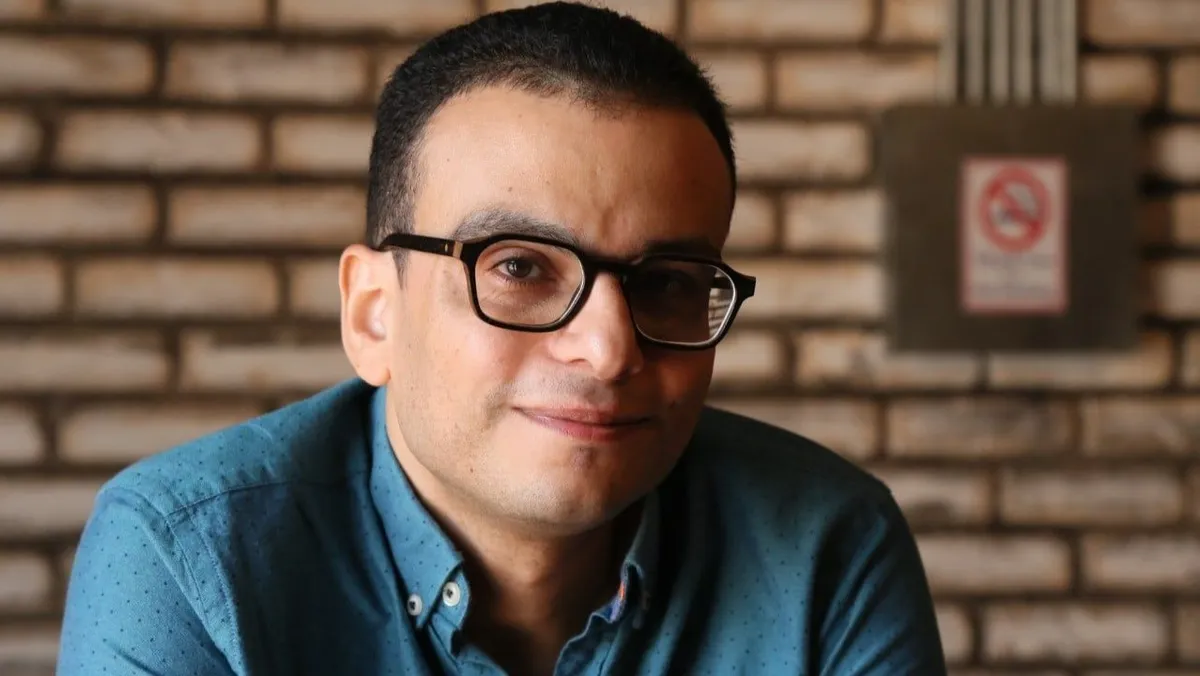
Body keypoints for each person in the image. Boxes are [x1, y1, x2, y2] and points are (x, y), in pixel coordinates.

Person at [57, 3, 946, 674]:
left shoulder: (826, 546)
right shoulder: (188, 557)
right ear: (373, 314)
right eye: (519, 267)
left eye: (669, 282)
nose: (608, 350)